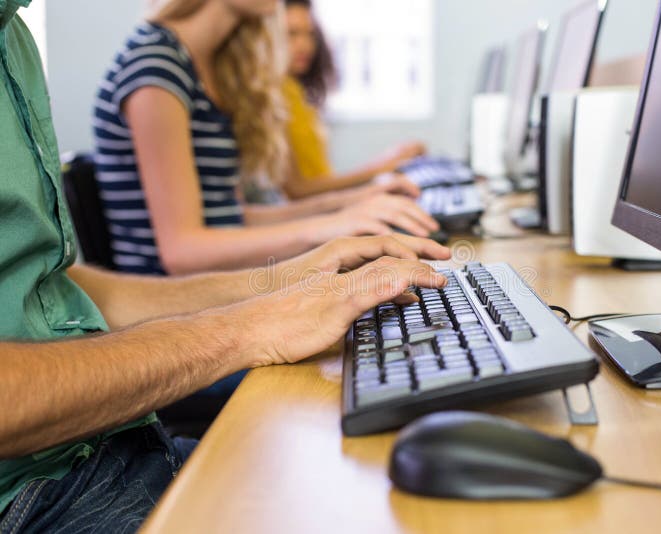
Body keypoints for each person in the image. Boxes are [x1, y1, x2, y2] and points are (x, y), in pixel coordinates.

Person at [0, 1, 451, 530]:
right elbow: (182, 248)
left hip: (106, 444)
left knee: (368, 422)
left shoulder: (16, 37)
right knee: (348, 425)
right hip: (49, 481)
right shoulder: (155, 66)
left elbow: (53, 292)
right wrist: (258, 318)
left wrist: (297, 271)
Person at [94, 0, 439, 276]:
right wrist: (328, 228)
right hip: (176, 315)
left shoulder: (206, 66)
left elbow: (228, 217)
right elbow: (182, 252)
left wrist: (348, 208)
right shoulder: (156, 67)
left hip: (218, 291)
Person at [281, 0, 428, 199]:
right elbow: (297, 190)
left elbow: (319, 180)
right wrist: (383, 165)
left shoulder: (295, 93)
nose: (304, 45)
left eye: (309, 34)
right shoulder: (270, 97)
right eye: (291, 34)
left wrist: (385, 170)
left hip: (319, 209)